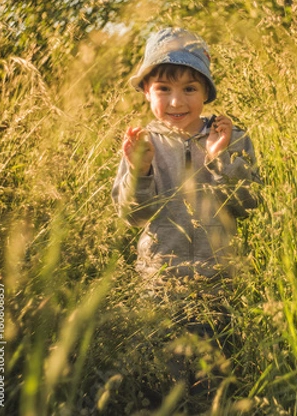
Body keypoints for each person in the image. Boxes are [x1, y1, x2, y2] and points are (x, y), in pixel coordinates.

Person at [112, 27, 262, 406]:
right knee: (166, 385)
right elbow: (133, 215)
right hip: (161, 283)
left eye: (190, 89)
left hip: (219, 282)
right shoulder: (142, 142)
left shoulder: (233, 137)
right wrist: (140, 170)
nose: (176, 101)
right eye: (163, 89)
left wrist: (219, 159)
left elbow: (246, 204)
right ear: (147, 91)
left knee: (214, 385)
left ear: (207, 93)